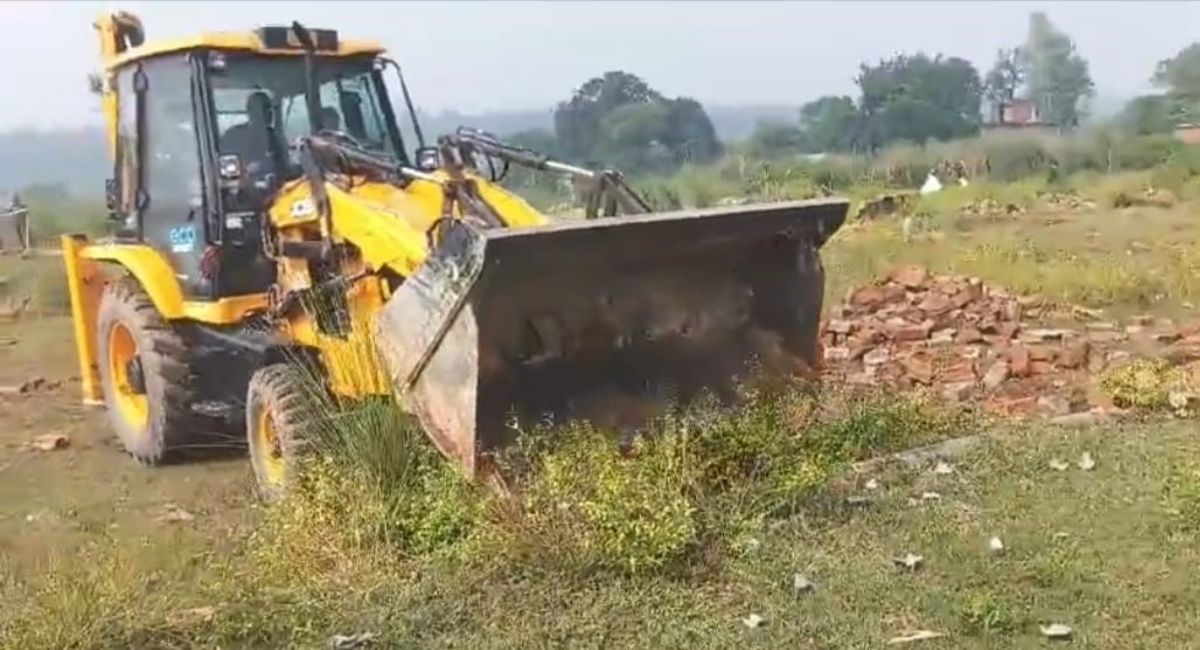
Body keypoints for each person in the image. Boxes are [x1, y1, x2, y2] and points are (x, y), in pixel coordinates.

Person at [221, 91, 284, 178]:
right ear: (250, 112)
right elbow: (225, 168)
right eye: (262, 109)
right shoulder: (233, 136)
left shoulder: (275, 137)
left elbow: (284, 163)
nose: (269, 113)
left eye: (270, 109)